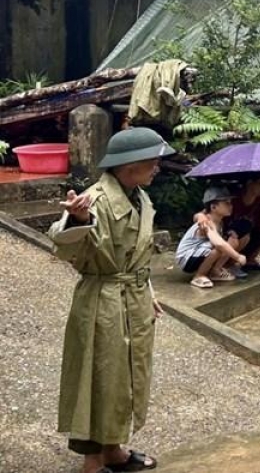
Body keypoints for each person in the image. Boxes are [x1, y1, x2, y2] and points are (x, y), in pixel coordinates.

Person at [48, 127, 174, 473]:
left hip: (132, 298)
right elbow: (61, 241)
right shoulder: (95, 199)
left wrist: (147, 290)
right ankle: (93, 462)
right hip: (103, 301)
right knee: (97, 377)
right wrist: (80, 219)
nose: (157, 168)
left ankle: (113, 450)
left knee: (125, 379)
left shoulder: (138, 195)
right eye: (153, 162)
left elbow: (136, 254)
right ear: (131, 165)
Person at [175, 186, 248, 288]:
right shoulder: (206, 222)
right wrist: (237, 256)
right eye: (226, 203)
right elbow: (218, 243)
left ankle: (215, 271)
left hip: (198, 252)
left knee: (232, 241)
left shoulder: (220, 222)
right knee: (219, 248)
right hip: (186, 258)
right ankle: (199, 276)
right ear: (213, 207)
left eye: (230, 203)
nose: (230, 206)